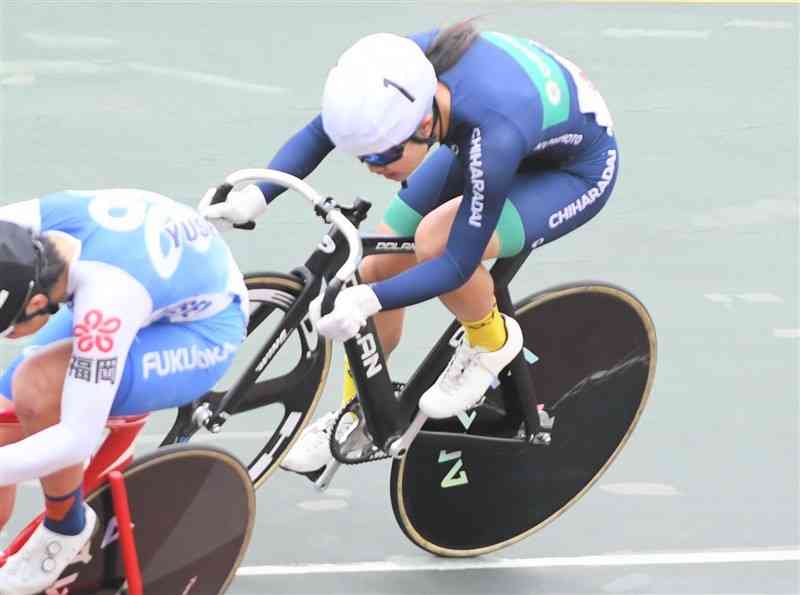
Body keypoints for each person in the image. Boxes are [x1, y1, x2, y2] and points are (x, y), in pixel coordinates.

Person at [200, 20, 618, 475]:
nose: (370, 167)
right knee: (378, 265)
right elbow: (323, 131)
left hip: (572, 170)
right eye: (363, 155)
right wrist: (256, 195)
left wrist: (367, 301)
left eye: (380, 156)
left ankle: (490, 341)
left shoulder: (491, 132)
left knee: (436, 241)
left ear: (422, 124)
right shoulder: (396, 74)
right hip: (508, 125)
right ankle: (357, 413)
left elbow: (457, 262)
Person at [0, 189, 248, 594]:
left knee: (37, 387)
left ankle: (66, 528)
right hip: (148, 279)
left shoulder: (106, 301)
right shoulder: (14, 229)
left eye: (7, 329)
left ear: (39, 302)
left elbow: (73, 440)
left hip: (199, 331)